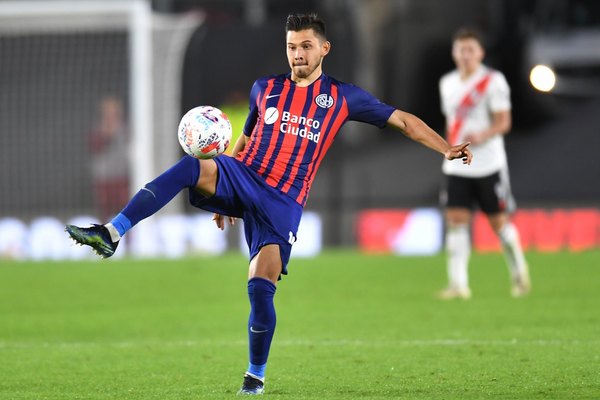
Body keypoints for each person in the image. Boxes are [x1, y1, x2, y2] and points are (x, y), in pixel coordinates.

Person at [66, 13, 472, 395]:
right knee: (192, 166)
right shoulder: (265, 88)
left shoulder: (342, 97)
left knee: (261, 289)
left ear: (324, 49)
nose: (298, 54)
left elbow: (403, 120)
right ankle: (111, 232)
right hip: (245, 175)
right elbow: (245, 138)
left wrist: (446, 148)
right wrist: (227, 191)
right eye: (292, 46)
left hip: (284, 202)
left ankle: (254, 378)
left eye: (307, 46)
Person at [437, 27, 530, 300]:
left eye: (470, 50)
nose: (465, 55)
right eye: (460, 50)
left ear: (480, 53)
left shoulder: (493, 81)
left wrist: (482, 135)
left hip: (488, 163)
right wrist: (446, 147)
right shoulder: (447, 83)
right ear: (454, 53)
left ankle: (519, 273)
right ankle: (458, 284)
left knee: (498, 223)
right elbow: (450, 123)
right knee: (455, 220)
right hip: (457, 165)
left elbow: (504, 122)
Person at [88, 96, 130, 221]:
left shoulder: (126, 129)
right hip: (105, 177)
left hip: (123, 176)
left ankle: (129, 238)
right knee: (105, 210)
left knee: (126, 209)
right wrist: (107, 134)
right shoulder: (98, 130)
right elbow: (94, 147)